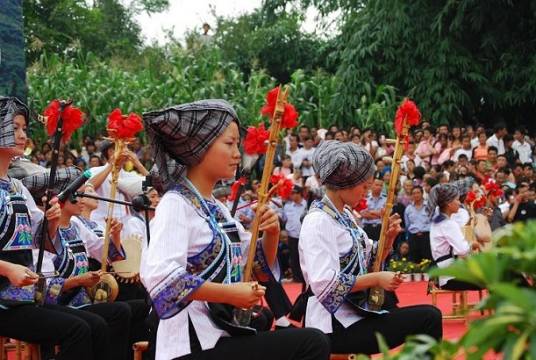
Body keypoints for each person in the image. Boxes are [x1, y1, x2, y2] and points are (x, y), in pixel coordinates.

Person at [140, 100, 330, 360]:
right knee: (311, 343)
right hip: (191, 345)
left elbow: (258, 265)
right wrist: (230, 293)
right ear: (199, 148)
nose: (237, 153)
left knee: (306, 340)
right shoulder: (176, 204)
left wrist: (271, 233)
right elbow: (162, 280)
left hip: (224, 335)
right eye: (229, 144)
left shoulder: (215, 207)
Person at [298, 140, 442, 355]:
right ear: (344, 182)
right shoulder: (318, 221)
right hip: (333, 324)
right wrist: (376, 279)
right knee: (428, 318)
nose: (366, 192)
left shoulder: (344, 215)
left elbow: (370, 258)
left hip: (356, 312)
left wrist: (388, 239)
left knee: (425, 315)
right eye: (364, 186)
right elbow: (324, 284)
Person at [0, 97, 94, 359]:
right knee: (77, 330)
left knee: (94, 325)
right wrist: (7, 268)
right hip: (4, 300)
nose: (21, 135)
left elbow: (42, 240)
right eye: (14, 128)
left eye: (23, 129)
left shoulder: (18, 188)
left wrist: (51, 221)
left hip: (20, 296)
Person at [427, 183, 482, 290]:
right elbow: (462, 251)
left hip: (445, 273)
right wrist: (472, 245)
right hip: (451, 277)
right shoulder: (448, 224)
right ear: (449, 203)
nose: (459, 203)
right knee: (496, 276)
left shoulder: (437, 222)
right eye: (457, 200)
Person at [404, 186, 432, 263]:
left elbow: (434, 222)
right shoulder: (408, 209)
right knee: (414, 260)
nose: (416, 195)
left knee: (428, 260)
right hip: (413, 237)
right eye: (414, 193)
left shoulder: (429, 206)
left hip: (426, 236)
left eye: (418, 193)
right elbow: (407, 224)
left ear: (422, 194)